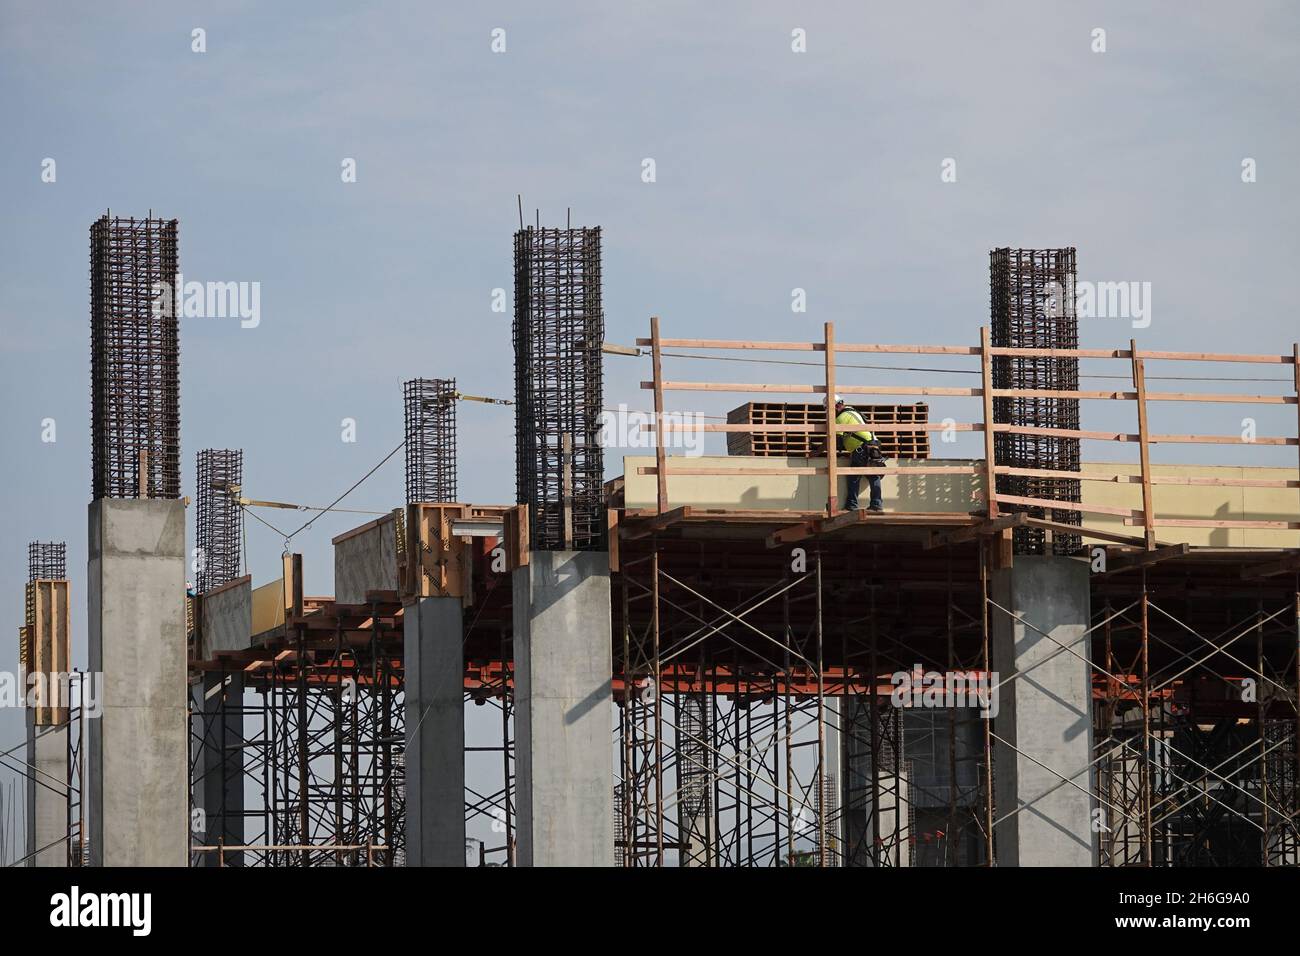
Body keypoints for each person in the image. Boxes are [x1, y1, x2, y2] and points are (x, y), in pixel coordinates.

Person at [834, 394, 884, 512]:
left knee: (854, 477)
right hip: (872, 447)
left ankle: (852, 505)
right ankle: (876, 504)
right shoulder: (854, 412)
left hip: (862, 450)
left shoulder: (841, 417)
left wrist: (819, 451)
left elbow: (835, 439)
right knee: (873, 476)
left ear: (835, 406)